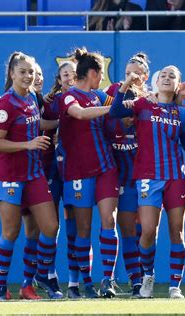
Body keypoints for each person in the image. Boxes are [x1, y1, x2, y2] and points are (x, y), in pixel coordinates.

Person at [110, 65, 185, 299]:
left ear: (178, 85)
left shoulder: (182, 112)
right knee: (147, 232)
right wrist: (126, 85)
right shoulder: (143, 104)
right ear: (155, 82)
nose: (166, 78)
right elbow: (115, 110)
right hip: (147, 177)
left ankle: (175, 286)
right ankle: (148, 276)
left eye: (172, 76)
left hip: (175, 177)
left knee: (177, 232)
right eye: (163, 75)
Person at [0, 52, 62, 300]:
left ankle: (29, 283)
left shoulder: (31, 98)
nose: (28, 76)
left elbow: (36, 123)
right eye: (23, 72)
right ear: (12, 74)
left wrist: (62, 122)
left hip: (34, 175)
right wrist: (29, 145)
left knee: (50, 227)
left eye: (31, 71)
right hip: (8, 175)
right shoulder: (4, 104)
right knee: (11, 231)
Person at [57, 47, 129, 298]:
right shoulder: (67, 97)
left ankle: (107, 281)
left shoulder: (100, 96)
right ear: (92, 73)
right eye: (101, 75)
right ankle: (85, 283)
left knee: (109, 221)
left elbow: (124, 106)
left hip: (106, 168)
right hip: (78, 172)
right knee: (83, 228)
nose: (102, 80)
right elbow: (79, 114)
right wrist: (112, 110)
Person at [104, 52, 151, 298]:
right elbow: (111, 114)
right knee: (127, 230)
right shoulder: (114, 92)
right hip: (119, 174)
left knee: (145, 230)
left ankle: (146, 277)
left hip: (143, 173)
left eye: (136, 74)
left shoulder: (151, 99)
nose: (131, 77)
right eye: (127, 73)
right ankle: (135, 280)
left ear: (146, 76)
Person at [42, 61, 85, 298]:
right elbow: (38, 123)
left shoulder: (87, 98)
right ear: (59, 79)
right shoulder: (51, 102)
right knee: (51, 225)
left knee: (74, 227)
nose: (69, 77)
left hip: (75, 169)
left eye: (73, 73)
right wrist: (62, 122)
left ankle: (74, 283)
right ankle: (49, 276)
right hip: (52, 169)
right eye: (64, 74)